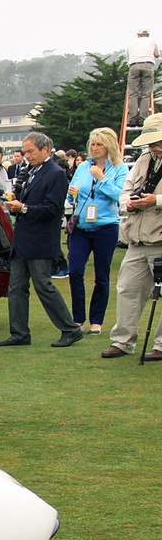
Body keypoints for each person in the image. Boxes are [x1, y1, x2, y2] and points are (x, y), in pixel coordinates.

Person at [0, 133, 84, 348]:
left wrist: (23, 208)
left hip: (41, 240)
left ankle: (70, 329)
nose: (27, 156)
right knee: (16, 288)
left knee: (43, 286)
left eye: (30, 151)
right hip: (23, 239)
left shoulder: (55, 174)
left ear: (46, 150)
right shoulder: (31, 172)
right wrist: (16, 204)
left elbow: (53, 209)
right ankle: (19, 333)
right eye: (25, 152)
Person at [101, 114, 162, 359]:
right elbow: (125, 192)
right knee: (127, 290)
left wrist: (155, 201)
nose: (152, 148)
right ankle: (123, 342)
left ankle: (161, 346)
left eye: (156, 142)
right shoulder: (144, 159)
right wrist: (130, 203)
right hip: (136, 239)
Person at [65, 128, 127, 336]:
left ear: (109, 145)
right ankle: (78, 319)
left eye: (99, 144)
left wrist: (101, 179)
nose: (95, 148)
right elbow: (73, 194)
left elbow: (120, 196)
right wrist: (72, 195)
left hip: (106, 227)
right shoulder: (83, 167)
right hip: (81, 227)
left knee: (102, 275)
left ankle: (97, 321)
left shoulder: (120, 169)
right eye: (92, 144)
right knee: (74, 271)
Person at [127, 28, 159, 127]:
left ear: (138, 35)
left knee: (133, 94)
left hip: (134, 66)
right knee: (145, 94)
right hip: (148, 65)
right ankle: (143, 118)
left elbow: (128, 57)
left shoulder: (131, 43)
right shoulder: (152, 41)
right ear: (148, 35)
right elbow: (157, 54)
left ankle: (132, 119)